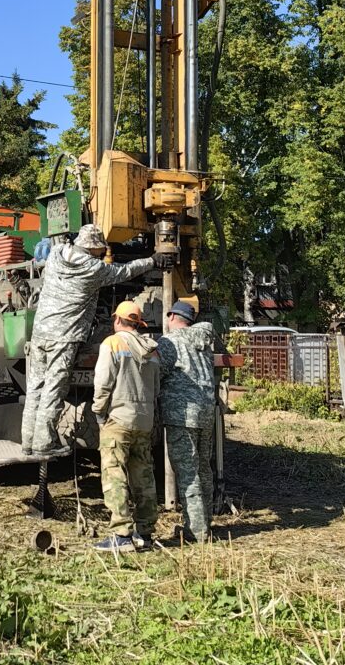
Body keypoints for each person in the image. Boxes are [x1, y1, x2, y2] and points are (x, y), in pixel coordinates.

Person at [20, 223, 168, 458]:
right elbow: (123, 272)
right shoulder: (92, 269)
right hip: (64, 335)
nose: (103, 251)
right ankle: (43, 443)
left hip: (40, 330)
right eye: (101, 248)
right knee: (53, 388)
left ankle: (27, 441)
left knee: (36, 385)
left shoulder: (57, 253)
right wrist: (151, 260)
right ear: (94, 248)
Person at [91, 300, 161, 552]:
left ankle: (121, 535)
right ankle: (146, 533)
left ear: (117, 320)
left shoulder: (112, 343)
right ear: (138, 323)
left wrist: (99, 413)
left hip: (118, 420)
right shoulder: (152, 349)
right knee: (143, 476)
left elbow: (103, 383)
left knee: (114, 474)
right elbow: (156, 389)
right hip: (144, 420)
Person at [157, 300, 217, 543]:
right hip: (205, 413)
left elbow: (156, 371)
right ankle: (206, 522)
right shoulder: (203, 341)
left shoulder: (170, 342)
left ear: (171, 316)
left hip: (182, 415)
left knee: (187, 472)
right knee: (204, 469)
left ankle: (196, 530)